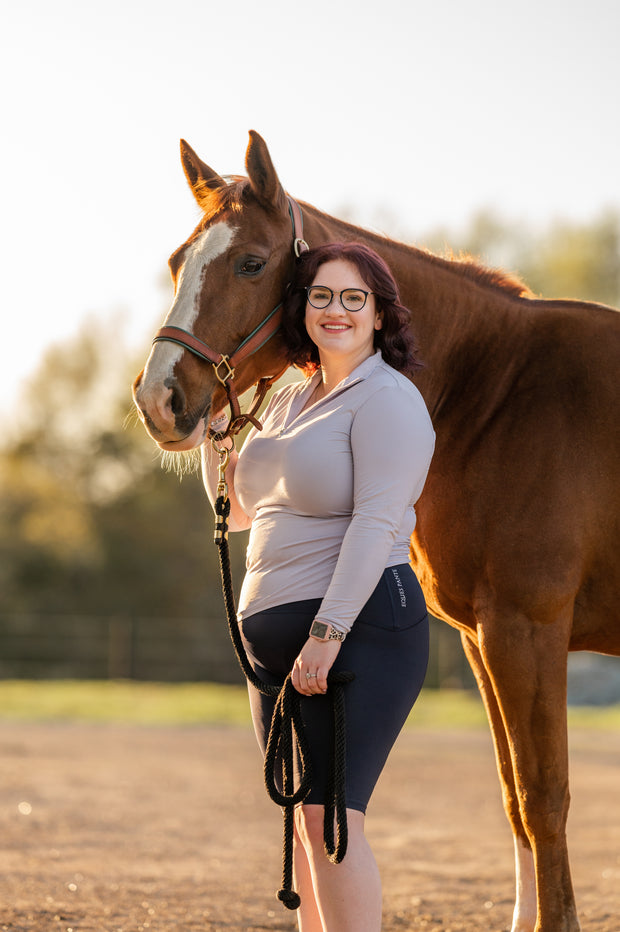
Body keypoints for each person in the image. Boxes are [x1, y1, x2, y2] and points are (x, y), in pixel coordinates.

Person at [202, 242, 435, 932]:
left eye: (352, 298)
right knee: (299, 816)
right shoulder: (287, 399)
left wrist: (326, 635)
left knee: (329, 817)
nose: (336, 310)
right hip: (273, 641)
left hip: (360, 630)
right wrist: (217, 437)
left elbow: (375, 524)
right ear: (301, 307)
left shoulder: (389, 398)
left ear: (379, 312)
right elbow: (243, 515)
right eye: (321, 296)